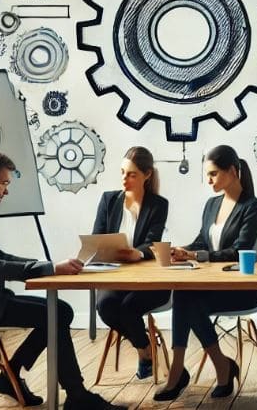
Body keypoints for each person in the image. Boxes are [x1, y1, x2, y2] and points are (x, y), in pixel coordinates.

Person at [0, 150, 123, 410]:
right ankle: (76, 396)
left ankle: (9, 376)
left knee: (61, 311)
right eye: (4, 183)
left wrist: (48, 266)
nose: (6, 191)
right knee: (57, 313)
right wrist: (50, 268)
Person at [154, 145, 257, 402]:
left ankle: (203, 369)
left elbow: (239, 250)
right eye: (207, 174)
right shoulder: (212, 204)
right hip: (212, 286)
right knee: (183, 296)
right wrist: (184, 250)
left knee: (187, 300)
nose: (209, 179)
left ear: (233, 171)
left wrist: (196, 256)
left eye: (213, 173)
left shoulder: (252, 206)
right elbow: (203, 242)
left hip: (242, 289)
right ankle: (193, 368)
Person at [92, 146, 170, 380]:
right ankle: (146, 350)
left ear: (147, 175)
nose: (125, 178)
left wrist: (139, 253)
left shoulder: (158, 204)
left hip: (150, 279)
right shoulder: (109, 200)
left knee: (128, 308)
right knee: (105, 306)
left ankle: (144, 353)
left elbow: (152, 243)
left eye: (132, 174)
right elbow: (97, 237)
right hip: (116, 275)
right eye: (123, 172)